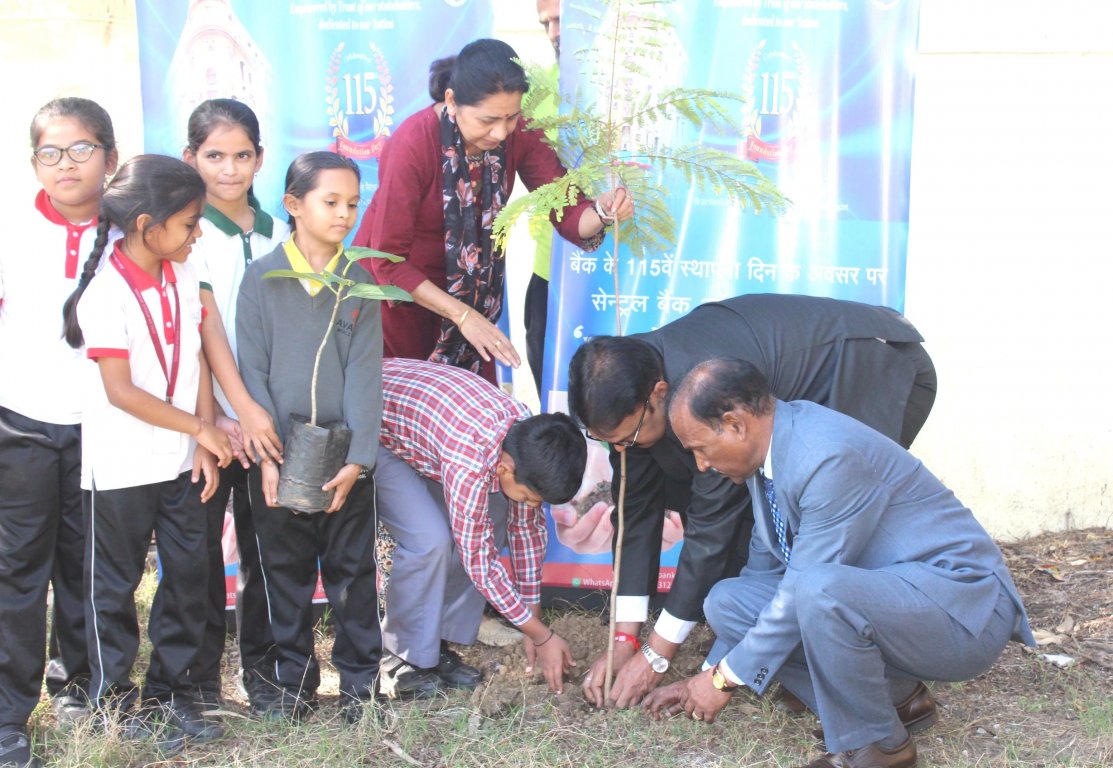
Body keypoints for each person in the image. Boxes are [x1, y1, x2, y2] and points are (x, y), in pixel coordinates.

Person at [644, 358, 1035, 768]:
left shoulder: (826, 456)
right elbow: (764, 577)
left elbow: (800, 591)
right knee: (727, 602)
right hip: (897, 598)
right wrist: (707, 674)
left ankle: (879, 747)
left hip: (960, 607)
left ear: (736, 424)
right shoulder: (770, 460)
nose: (702, 465)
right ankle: (898, 701)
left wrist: (723, 679)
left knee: (817, 590)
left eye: (701, 448)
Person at [567, 293, 938, 708]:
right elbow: (636, 518)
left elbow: (710, 529)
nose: (620, 451)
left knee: (829, 554)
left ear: (658, 394)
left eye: (628, 439)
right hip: (821, 381)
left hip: (871, 366)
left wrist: (657, 654)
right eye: (606, 441)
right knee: (767, 559)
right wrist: (625, 638)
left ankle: (889, 691)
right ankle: (805, 669)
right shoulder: (623, 386)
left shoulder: (706, 400)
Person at [65, 155, 234, 752]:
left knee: (188, 577)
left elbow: (197, 365)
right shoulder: (104, 292)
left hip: (183, 460)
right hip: (118, 466)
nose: (198, 233)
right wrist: (201, 428)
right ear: (146, 225)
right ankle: (113, 702)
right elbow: (121, 391)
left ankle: (174, 693)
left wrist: (204, 439)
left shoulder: (185, 274)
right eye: (190, 222)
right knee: (112, 590)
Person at [351, 37, 633, 383]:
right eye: (487, 120)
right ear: (452, 101)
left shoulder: (520, 134)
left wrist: (604, 212)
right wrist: (463, 316)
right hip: (403, 306)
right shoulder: (414, 143)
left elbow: (568, 210)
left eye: (511, 118)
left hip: (473, 307)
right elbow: (386, 261)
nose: (500, 132)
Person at [235, 151, 383, 724]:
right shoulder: (261, 279)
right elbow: (253, 373)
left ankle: (361, 687)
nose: (345, 214)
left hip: (343, 461)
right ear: (294, 206)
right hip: (276, 458)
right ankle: (291, 684)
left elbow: (366, 375)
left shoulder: (360, 283)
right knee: (285, 575)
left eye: (353, 203)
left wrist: (359, 460)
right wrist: (267, 461)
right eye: (331, 202)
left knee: (352, 575)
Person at [0, 97, 118, 768]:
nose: (66, 164)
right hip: (22, 424)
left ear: (109, 154)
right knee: (17, 569)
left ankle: (76, 684)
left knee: (88, 564)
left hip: (105, 428)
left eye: (81, 149)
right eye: (51, 151)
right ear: (33, 162)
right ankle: (7, 714)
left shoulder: (133, 230)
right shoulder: (13, 230)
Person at [374, 358, 585, 696]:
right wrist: (542, 636)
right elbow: (480, 562)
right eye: (532, 498)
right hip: (377, 431)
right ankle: (401, 655)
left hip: (426, 438)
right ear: (505, 468)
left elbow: (526, 533)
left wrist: (534, 623)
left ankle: (434, 641)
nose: (534, 507)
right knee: (430, 539)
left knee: (499, 510)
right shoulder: (469, 457)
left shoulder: (528, 440)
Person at [181, 97, 289, 713]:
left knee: (268, 553)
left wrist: (261, 416)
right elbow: (200, 334)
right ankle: (194, 685)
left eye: (242, 155)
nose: (228, 169)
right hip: (210, 420)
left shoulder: (279, 233)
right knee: (195, 555)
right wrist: (219, 417)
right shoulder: (187, 235)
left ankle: (268, 677)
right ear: (191, 157)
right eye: (214, 155)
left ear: (259, 159)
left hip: (266, 426)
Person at [523, 0, 562, 395]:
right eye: (545, 23)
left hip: (631, 274)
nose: (553, 33)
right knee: (551, 386)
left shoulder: (638, 84)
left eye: (561, 20)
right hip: (550, 268)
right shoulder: (535, 93)